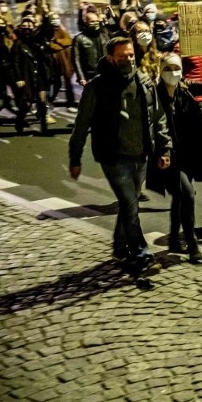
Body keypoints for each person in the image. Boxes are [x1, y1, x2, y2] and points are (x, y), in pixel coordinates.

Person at [68, 36, 171, 277]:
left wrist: (164, 148)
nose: (127, 59)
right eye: (122, 56)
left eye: (130, 55)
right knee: (129, 204)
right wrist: (75, 159)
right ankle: (141, 254)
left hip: (141, 154)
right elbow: (81, 126)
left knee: (130, 205)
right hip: (113, 157)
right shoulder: (97, 87)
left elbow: (159, 117)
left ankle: (119, 247)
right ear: (111, 58)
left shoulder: (144, 82)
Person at [145, 52, 202, 263]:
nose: (173, 72)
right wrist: (161, 151)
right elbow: (151, 126)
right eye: (168, 68)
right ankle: (192, 244)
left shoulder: (185, 90)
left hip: (188, 154)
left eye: (176, 68)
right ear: (160, 71)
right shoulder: (154, 95)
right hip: (167, 156)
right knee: (188, 194)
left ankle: (174, 239)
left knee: (180, 197)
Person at [10, 14, 56, 133]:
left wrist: (45, 16)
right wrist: (19, 78)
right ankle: (19, 120)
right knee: (27, 103)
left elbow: (46, 30)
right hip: (27, 76)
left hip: (40, 74)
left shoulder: (37, 40)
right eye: (24, 26)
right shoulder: (18, 44)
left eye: (29, 26)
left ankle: (44, 127)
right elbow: (15, 62)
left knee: (42, 100)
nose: (26, 28)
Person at [48, 13, 78, 111]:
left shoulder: (62, 29)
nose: (56, 20)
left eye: (57, 18)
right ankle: (49, 101)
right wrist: (60, 44)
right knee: (56, 83)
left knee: (68, 82)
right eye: (54, 18)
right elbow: (51, 46)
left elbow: (68, 41)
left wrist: (57, 40)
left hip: (65, 60)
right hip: (54, 61)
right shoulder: (48, 31)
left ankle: (70, 103)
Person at [72, 9, 107, 88]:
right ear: (86, 22)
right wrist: (81, 77)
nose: (95, 23)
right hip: (89, 75)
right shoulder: (79, 38)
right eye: (92, 21)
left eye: (97, 21)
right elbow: (76, 59)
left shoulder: (103, 36)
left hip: (105, 72)